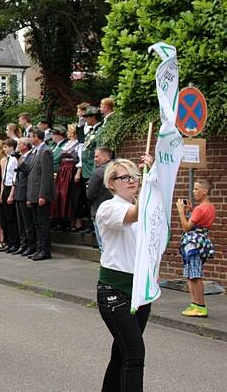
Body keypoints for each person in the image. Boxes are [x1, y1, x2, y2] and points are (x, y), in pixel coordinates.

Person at [95, 155, 153, 391]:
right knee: (135, 354)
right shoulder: (108, 208)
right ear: (111, 183)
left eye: (135, 176)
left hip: (139, 292)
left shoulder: (144, 210)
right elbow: (134, 215)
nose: (132, 181)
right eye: (124, 177)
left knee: (122, 353)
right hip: (114, 290)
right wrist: (151, 180)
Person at [176, 179, 216, 318]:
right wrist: (191, 210)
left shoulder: (200, 208)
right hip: (202, 241)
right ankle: (194, 304)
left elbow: (186, 227)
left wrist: (181, 211)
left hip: (193, 243)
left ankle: (200, 306)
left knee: (195, 275)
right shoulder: (209, 207)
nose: (194, 191)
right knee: (190, 274)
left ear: (205, 191)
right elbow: (201, 220)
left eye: (196, 189)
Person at [26, 127, 54, 261]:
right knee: (37, 223)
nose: (29, 139)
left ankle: (45, 250)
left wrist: (42, 195)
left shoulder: (45, 151)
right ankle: (39, 249)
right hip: (34, 194)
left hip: (40, 195)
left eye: (30, 136)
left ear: (36, 136)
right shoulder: (36, 151)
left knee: (43, 224)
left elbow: (46, 176)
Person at [78, 106, 103, 233]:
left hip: (92, 169)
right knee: (87, 198)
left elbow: (97, 150)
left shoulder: (100, 130)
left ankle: (94, 224)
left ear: (93, 117)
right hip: (86, 170)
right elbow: (82, 143)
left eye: (87, 117)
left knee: (94, 197)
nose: (86, 119)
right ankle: (90, 223)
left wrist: (95, 170)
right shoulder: (90, 131)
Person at [51, 125, 78, 231]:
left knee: (64, 195)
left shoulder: (75, 144)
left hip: (68, 171)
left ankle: (65, 221)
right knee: (58, 196)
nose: (68, 133)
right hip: (62, 171)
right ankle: (58, 220)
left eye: (69, 132)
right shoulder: (59, 145)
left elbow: (56, 159)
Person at [12, 138, 36, 256]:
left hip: (26, 191)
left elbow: (28, 171)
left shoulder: (31, 157)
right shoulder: (20, 157)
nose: (17, 146)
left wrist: (20, 160)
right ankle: (23, 244)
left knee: (28, 222)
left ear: (26, 145)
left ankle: (31, 245)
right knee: (20, 222)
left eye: (19, 144)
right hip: (18, 191)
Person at [87, 146, 114, 250]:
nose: (94, 159)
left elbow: (90, 194)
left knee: (104, 247)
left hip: (99, 211)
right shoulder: (118, 169)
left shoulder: (98, 172)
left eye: (96, 156)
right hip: (114, 212)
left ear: (105, 157)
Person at [0, 139, 20, 253]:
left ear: (12, 147)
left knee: (12, 218)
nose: (4, 149)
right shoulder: (6, 160)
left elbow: (14, 177)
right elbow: (3, 178)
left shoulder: (15, 159)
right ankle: (9, 241)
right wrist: (1, 194)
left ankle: (15, 242)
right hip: (5, 188)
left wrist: (11, 194)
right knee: (6, 218)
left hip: (11, 188)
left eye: (6, 147)